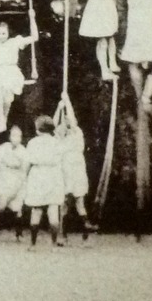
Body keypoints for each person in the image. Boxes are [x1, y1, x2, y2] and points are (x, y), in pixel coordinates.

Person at [54, 96, 96, 246]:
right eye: (64, 120)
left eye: (68, 120)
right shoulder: (60, 140)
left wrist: (68, 101)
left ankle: (86, 236)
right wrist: (59, 109)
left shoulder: (77, 133)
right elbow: (53, 126)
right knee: (65, 204)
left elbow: (72, 120)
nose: (66, 122)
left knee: (79, 202)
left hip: (77, 170)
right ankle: (63, 236)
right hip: (66, 171)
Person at [20, 116, 64, 250]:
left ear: (38, 130)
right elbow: (60, 161)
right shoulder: (57, 142)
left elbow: (27, 163)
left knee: (36, 210)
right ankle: (54, 246)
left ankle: (33, 245)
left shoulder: (33, 143)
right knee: (53, 209)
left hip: (38, 175)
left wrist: (24, 177)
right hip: (53, 175)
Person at [0, 125, 28, 240]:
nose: (16, 138)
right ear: (10, 136)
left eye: (19, 136)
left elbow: (24, 169)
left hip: (17, 182)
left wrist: (20, 185)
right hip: (4, 180)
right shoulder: (2, 148)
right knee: (1, 206)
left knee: (18, 209)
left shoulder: (23, 151)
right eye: (14, 135)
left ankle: (18, 235)